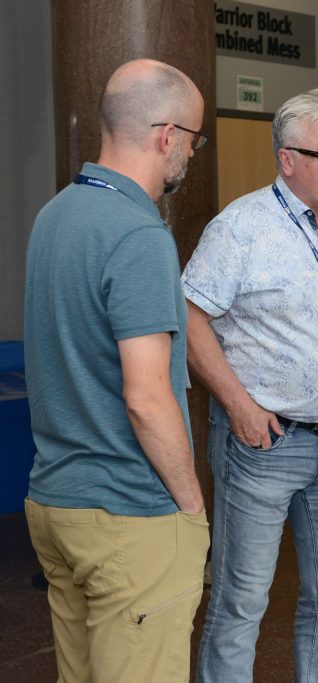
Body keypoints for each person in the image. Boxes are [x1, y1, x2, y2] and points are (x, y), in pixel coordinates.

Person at [183, 87, 318, 683]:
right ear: (287, 159)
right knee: (242, 599)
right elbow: (189, 317)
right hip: (263, 443)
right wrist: (238, 406)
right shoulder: (240, 227)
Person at [22, 59, 209, 682]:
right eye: (193, 139)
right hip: (130, 514)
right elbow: (147, 398)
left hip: (56, 503)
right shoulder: (139, 235)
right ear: (167, 135)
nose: (191, 153)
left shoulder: (53, 216)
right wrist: (190, 508)